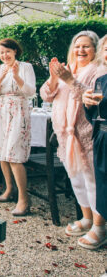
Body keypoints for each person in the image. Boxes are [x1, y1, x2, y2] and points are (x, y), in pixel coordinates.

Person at [40, 31, 106, 250]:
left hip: (85, 136)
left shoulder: (98, 70)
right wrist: (54, 77)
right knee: (76, 179)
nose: (81, 51)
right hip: (65, 137)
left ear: (95, 50)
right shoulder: (69, 67)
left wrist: (69, 80)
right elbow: (46, 96)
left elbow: (93, 100)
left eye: (86, 46)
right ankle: (86, 218)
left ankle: (99, 226)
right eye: (78, 46)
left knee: (92, 181)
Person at [0, 38, 36, 216]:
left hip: (19, 109)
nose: (4, 55)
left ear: (15, 51)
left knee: (14, 154)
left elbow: (30, 91)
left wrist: (17, 76)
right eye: (1, 53)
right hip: (2, 110)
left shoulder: (26, 67)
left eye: (7, 51)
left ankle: (24, 199)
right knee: (2, 153)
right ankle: (9, 189)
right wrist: (3, 75)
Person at [81, 34, 107, 250]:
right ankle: (101, 227)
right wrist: (87, 104)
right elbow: (95, 115)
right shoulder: (101, 81)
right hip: (103, 138)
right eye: (106, 48)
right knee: (103, 185)